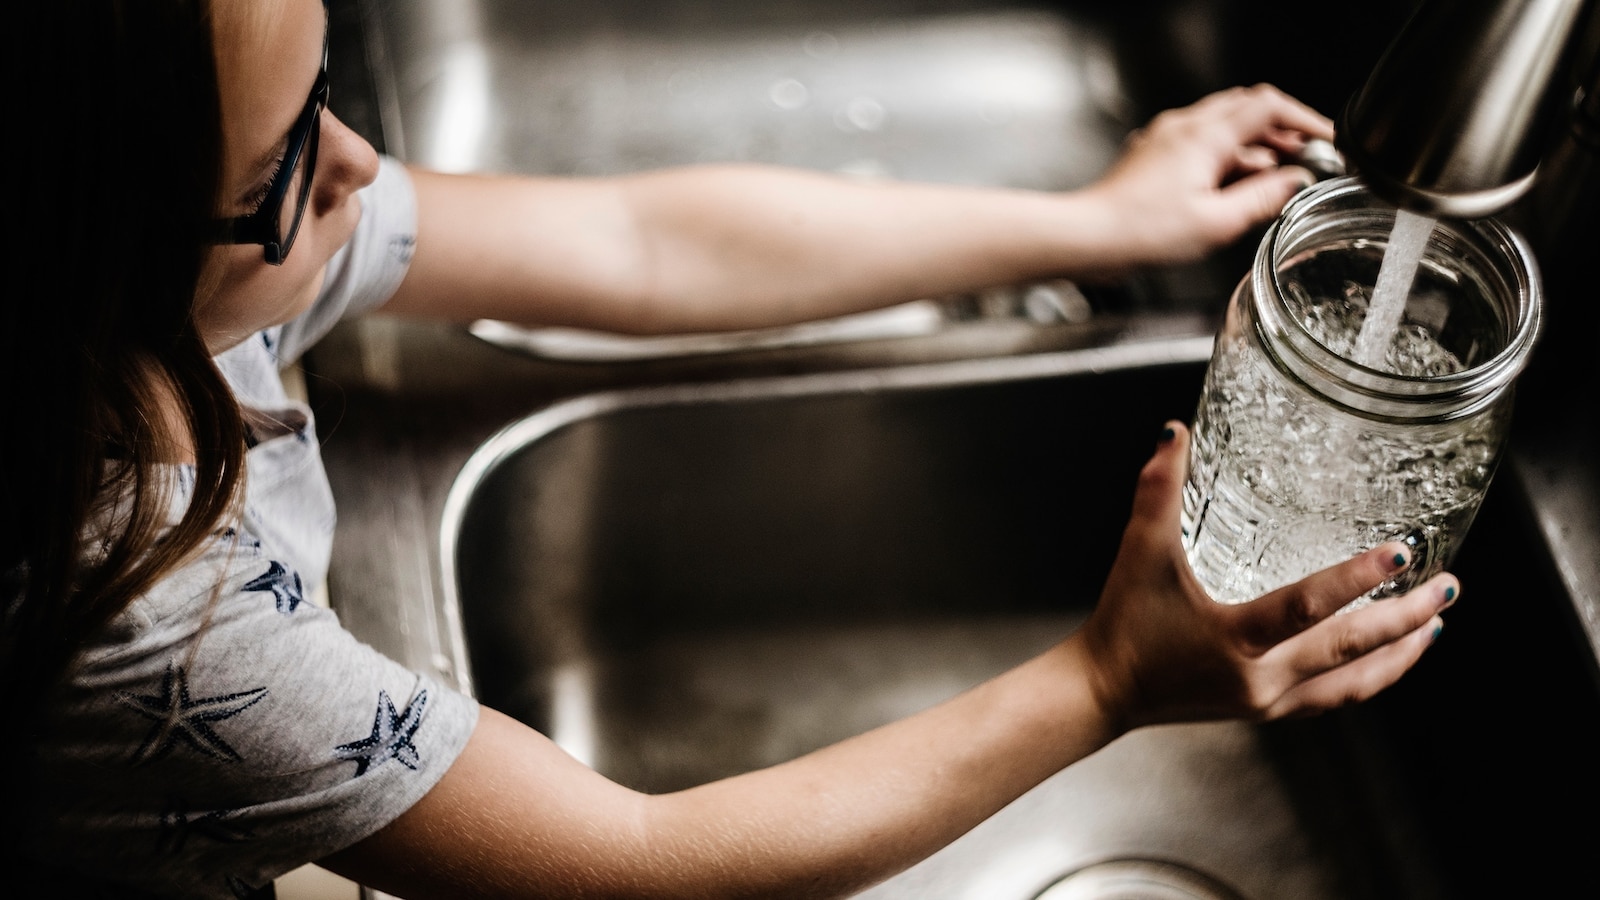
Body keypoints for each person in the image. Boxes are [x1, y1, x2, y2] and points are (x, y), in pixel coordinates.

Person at [2, 1, 1458, 897]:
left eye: (327, 92)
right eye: (283, 166)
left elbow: (637, 242)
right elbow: (640, 867)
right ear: (92, 251)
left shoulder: (178, 270)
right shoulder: (148, 622)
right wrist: (1108, 682)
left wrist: (1095, 222)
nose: (358, 166)